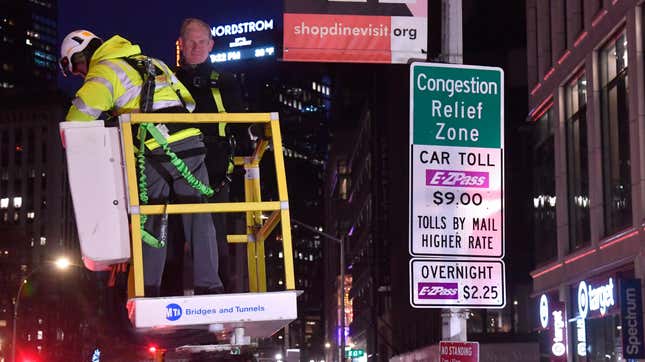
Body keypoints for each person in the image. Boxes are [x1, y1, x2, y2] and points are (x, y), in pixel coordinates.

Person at [60, 30, 224, 296]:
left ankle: (149, 289)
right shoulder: (154, 62)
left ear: (82, 54)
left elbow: (76, 122)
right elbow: (189, 104)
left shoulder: (104, 71)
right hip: (190, 143)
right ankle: (210, 286)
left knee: (151, 221)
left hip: (153, 149)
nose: (79, 73)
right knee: (199, 216)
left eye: (76, 66)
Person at [175, 18, 250, 292]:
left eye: (202, 42)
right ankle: (167, 295)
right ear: (181, 45)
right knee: (173, 232)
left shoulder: (225, 82)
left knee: (216, 232)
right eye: (190, 42)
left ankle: (220, 295)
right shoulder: (168, 82)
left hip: (215, 166)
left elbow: (241, 124)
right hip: (175, 165)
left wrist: (245, 163)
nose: (196, 47)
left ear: (211, 45)